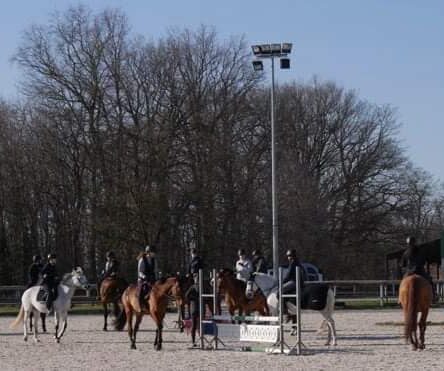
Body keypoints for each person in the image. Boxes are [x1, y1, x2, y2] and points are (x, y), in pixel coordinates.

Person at [400, 236, 436, 301]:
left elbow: (402, 265)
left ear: (408, 244)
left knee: (402, 283)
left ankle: (400, 298)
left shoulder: (405, 253)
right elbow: (426, 260)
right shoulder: (421, 251)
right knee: (430, 281)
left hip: (409, 272)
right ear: (414, 243)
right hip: (420, 271)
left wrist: (405, 270)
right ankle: (433, 296)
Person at [137, 245, 157, 311]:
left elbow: (155, 270)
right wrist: (144, 277)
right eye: (153, 252)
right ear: (148, 252)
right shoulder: (142, 259)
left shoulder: (154, 260)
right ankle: (140, 306)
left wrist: (158, 276)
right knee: (141, 290)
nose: (154, 253)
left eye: (154, 252)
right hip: (142, 279)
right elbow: (140, 272)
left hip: (151, 279)